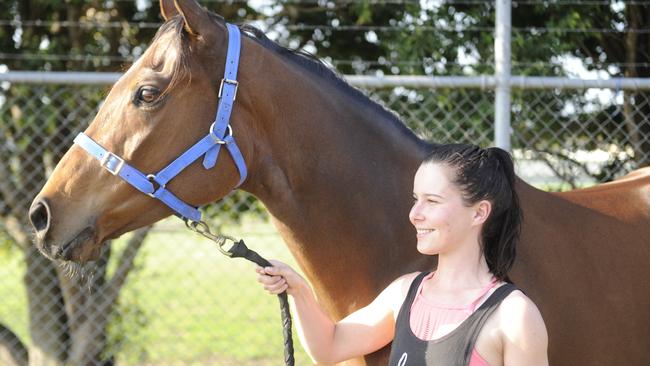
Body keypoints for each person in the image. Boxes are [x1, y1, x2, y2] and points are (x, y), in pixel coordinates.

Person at [256, 143, 549, 366]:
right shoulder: (406, 292)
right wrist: (299, 291)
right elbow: (330, 346)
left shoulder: (514, 316)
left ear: (479, 212)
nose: (414, 214)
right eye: (415, 199)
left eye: (432, 201)